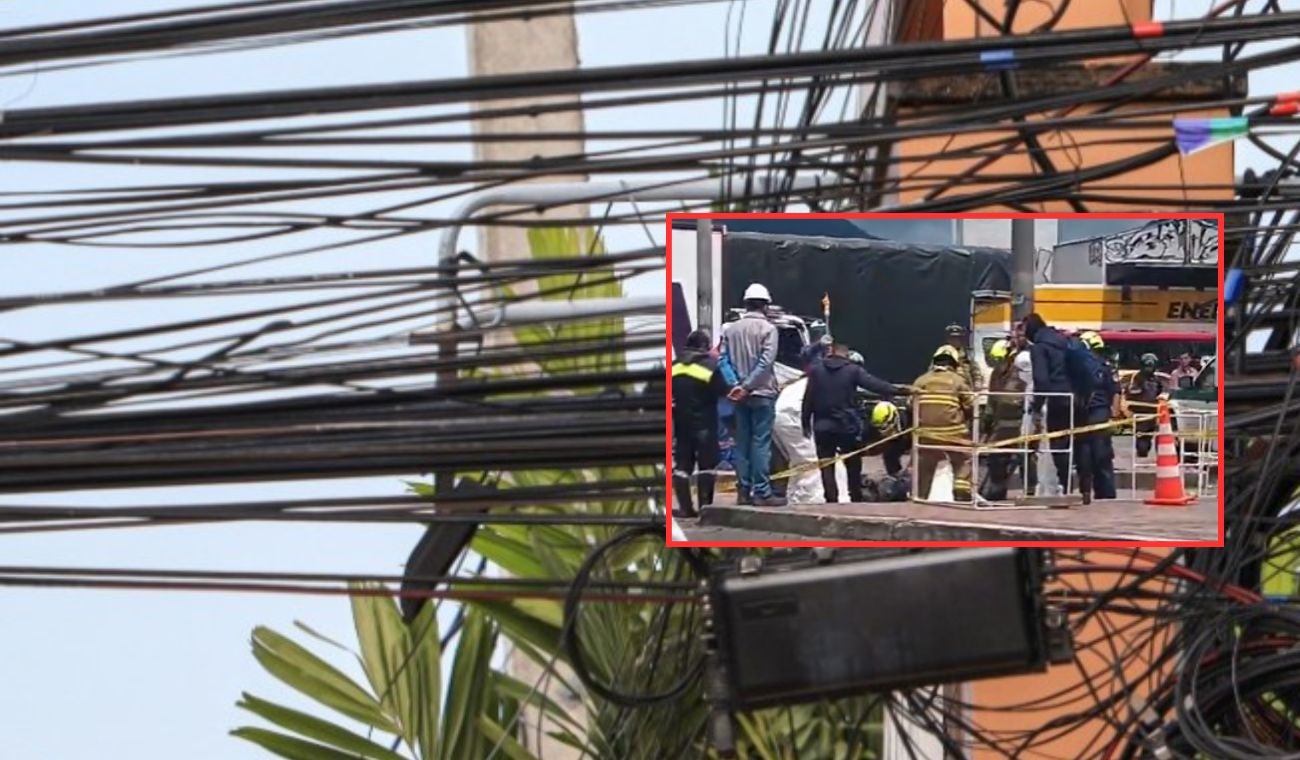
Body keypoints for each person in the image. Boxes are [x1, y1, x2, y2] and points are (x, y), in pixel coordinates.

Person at [800, 343, 904, 503]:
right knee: (853, 462)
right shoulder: (852, 370)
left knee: (826, 464)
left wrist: (805, 422)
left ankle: (831, 499)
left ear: (831, 353)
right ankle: (855, 496)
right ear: (846, 355)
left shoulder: (816, 370)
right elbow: (875, 385)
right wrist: (900, 390)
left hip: (822, 426)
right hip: (846, 425)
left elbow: (808, 398)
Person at [718, 283, 786, 507]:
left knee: (742, 443)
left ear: (746, 303)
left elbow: (723, 360)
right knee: (760, 444)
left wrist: (736, 385)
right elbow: (766, 363)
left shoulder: (730, 329)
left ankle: (743, 491)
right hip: (762, 393)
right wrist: (747, 386)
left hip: (739, 396)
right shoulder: (769, 330)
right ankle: (762, 492)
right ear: (765, 305)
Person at [671, 330, 728, 516]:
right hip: (704, 423)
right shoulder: (710, 366)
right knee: (707, 465)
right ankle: (705, 508)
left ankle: (685, 508)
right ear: (704, 346)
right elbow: (722, 390)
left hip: (681, 423)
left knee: (682, 465)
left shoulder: (674, 366)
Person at [913, 345, 974, 501]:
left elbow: (910, 405)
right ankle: (961, 488)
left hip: (926, 433)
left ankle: (920, 495)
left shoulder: (921, 380)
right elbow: (972, 405)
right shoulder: (958, 381)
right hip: (953, 432)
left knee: (924, 465)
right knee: (965, 458)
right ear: (954, 364)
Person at [1020, 313, 1074, 489]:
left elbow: (1041, 380)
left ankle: (1063, 485)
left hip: (1056, 399)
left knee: (1057, 444)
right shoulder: (1064, 342)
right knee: (1071, 444)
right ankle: (1081, 487)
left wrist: (1036, 406)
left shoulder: (1040, 348)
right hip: (1074, 397)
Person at [981, 338, 1031, 501]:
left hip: (1012, 422)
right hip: (1013, 422)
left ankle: (1021, 491)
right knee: (1014, 457)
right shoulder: (1001, 374)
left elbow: (996, 401)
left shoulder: (1010, 372)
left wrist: (986, 424)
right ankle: (1007, 490)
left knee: (1015, 457)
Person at [1073, 331, 1119, 502]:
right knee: (1085, 455)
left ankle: (1104, 492)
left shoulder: (1104, 366)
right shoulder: (1083, 366)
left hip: (1098, 413)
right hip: (1085, 413)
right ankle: (1086, 491)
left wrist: (1113, 413)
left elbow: (1115, 391)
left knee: (1101, 455)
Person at [1127, 353, 1168, 458]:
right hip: (1140, 412)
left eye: (1151, 366)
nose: (1149, 368)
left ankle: (1144, 453)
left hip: (1153, 412)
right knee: (1142, 437)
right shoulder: (1137, 378)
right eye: (1147, 366)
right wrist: (1139, 390)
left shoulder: (1156, 379)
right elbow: (1131, 392)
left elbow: (1161, 392)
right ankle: (1141, 454)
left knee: (1149, 435)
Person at [869, 399, 911, 479]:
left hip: (911, 432)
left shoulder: (909, 414)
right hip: (897, 438)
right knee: (889, 454)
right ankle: (895, 477)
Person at [942, 322, 983, 390]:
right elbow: (933, 372)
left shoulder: (967, 354)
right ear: (948, 339)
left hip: (965, 388)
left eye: (957, 338)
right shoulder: (942, 354)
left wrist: (977, 383)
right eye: (952, 338)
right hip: (947, 389)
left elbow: (975, 371)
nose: (955, 341)